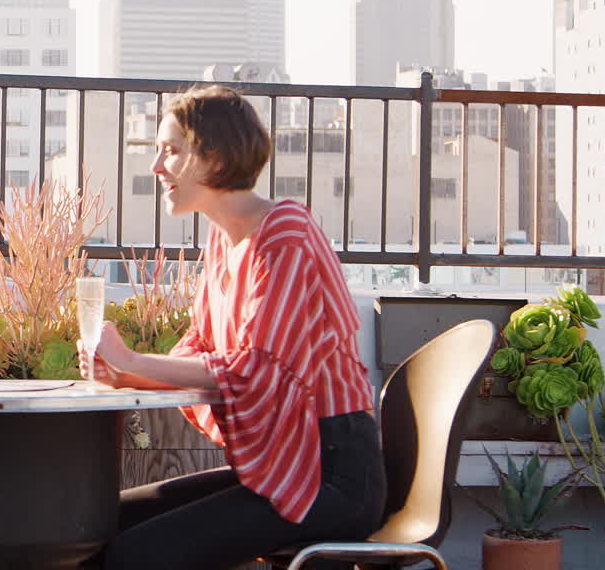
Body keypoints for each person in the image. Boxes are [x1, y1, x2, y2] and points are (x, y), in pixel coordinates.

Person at [81, 85, 386, 570]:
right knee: (93, 526)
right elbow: (201, 347)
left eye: (172, 151)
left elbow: (256, 367)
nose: (157, 168)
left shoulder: (286, 232)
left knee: (135, 556)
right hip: (285, 465)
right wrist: (124, 373)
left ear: (216, 161)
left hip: (330, 474)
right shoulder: (224, 242)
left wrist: (134, 361)